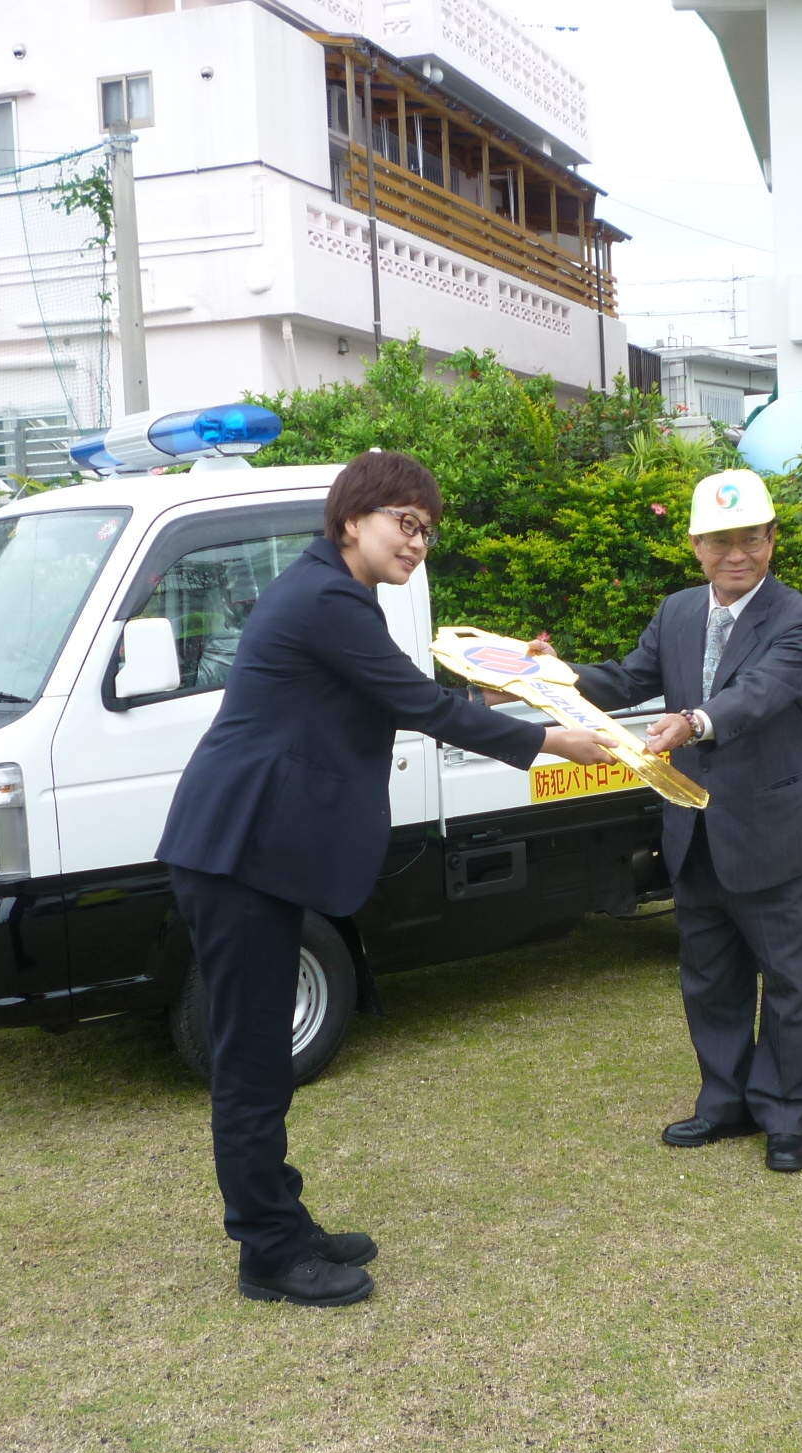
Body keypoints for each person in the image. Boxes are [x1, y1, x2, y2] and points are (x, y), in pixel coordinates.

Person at [156, 450, 615, 1307]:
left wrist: (509, 680)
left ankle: (282, 1221)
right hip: (237, 851)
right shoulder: (325, 598)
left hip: (253, 849)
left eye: (427, 531)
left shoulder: (336, 592)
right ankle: (266, 1253)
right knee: (252, 1059)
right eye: (406, 523)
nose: (418, 543)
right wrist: (552, 740)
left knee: (262, 1054)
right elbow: (417, 704)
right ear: (351, 519)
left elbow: (403, 692)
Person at [534, 469, 802, 1173]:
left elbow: (761, 693)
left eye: (751, 539)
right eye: (719, 541)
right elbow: (626, 678)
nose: (736, 555)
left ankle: (787, 1117)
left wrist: (695, 721)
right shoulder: (676, 611)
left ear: (772, 540)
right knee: (710, 978)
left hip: (777, 833)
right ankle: (725, 1103)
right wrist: (551, 675)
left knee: (792, 984)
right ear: (696, 546)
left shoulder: (800, 617)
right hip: (694, 828)